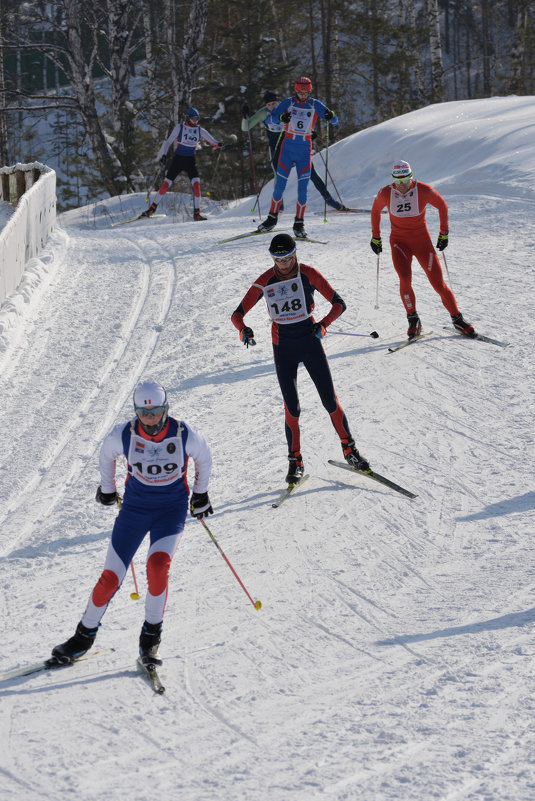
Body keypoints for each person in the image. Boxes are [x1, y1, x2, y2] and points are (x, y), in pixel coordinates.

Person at [50, 380, 213, 668]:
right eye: (143, 413)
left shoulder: (183, 433)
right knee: (111, 577)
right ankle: (82, 637)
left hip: (169, 511)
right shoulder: (123, 434)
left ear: (166, 409)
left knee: (157, 567)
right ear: (136, 411)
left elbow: (204, 458)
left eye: (156, 412)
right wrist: (107, 488)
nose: (149, 419)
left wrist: (200, 494)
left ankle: (150, 638)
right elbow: (106, 456)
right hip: (134, 511)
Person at [231, 233, 369, 484]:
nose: (284, 264)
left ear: (296, 255)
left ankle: (350, 450)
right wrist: (243, 329)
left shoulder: (308, 274)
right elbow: (237, 314)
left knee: (330, 400)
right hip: (283, 346)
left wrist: (324, 324)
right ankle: (295, 461)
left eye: (288, 258)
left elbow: (339, 303)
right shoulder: (265, 281)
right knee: (292, 407)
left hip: (309, 340)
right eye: (278, 259)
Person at [370, 160, 476, 339]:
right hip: (399, 243)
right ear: (393, 179)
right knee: (404, 278)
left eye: (406, 181)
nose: (402, 186)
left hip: (422, 242)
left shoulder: (424, 190)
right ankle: (413, 320)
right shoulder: (386, 193)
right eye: (398, 181)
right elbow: (375, 211)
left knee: (438, 283)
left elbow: (442, 206)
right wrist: (376, 236)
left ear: (411, 177)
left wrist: (444, 233)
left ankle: (457, 319)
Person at [256, 77, 339, 239]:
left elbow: (335, 121)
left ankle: (299, 223)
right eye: (299, 92)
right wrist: (280, 118)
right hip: (287, 148)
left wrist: (331, 115)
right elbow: (269, 118)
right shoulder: (288, 103)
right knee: (279, 186)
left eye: (305, 92)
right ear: (296, 90)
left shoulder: (316, 104)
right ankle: (271, 219)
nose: (302, 95)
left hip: (304, 150)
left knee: (303, 189)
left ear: (309, 91)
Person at [241, 90, 347, 211]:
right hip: (276, 146)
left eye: (274, 103)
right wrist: (245, 117)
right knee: (278, 174)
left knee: (311, 173)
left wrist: (310, 132)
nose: (271, 107)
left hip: (293, 142)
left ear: (279, 102)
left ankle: (329, 200)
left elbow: (301, 122)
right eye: (268, 105)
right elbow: (246, 128)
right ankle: (279, 207)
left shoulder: (287, 107)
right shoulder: (263, 113)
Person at [142, 107, 223, 221]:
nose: (196, 121)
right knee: (166, 184)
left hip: (190, 161)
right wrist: (164, 155)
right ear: (188, 118)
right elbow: (168, 141)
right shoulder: (179, 128)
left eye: (197, 119)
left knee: (196, 185)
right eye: (194, 119)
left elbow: (214, 142)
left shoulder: (200, 130)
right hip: (178, 160)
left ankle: (197, 213)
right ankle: (151, 209)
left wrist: (220, 144)